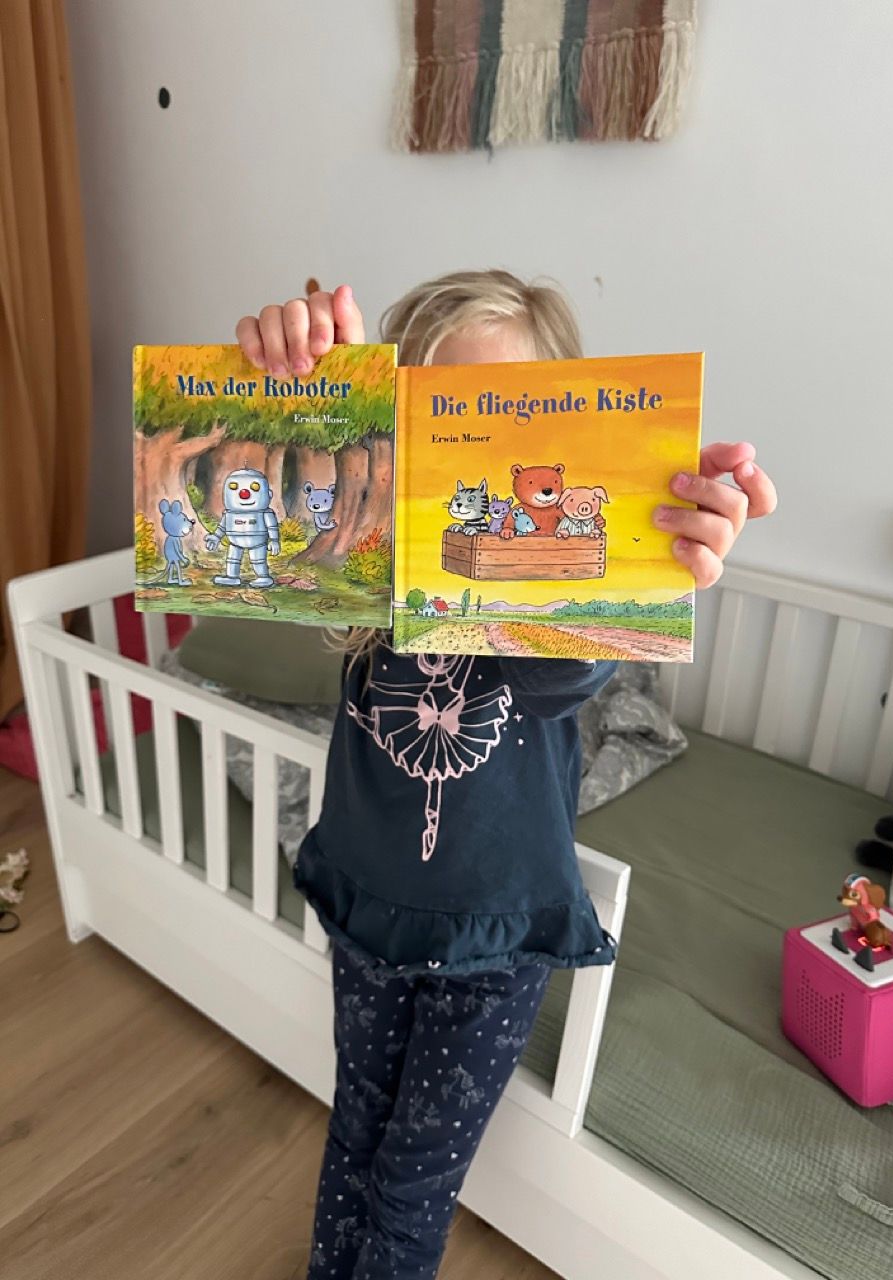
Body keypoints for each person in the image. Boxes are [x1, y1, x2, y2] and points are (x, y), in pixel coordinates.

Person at [236, 270, 777, 1279]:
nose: (477, 449)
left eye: (508, 417)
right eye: (445, 416)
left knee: (411, 1182)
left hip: (495, 937)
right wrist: (305, 394)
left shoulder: (549, 599)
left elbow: (569, 669)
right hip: (365, 904)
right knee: (356, 1128)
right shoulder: (369, 566)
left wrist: (654, 559)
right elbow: (290, 531)